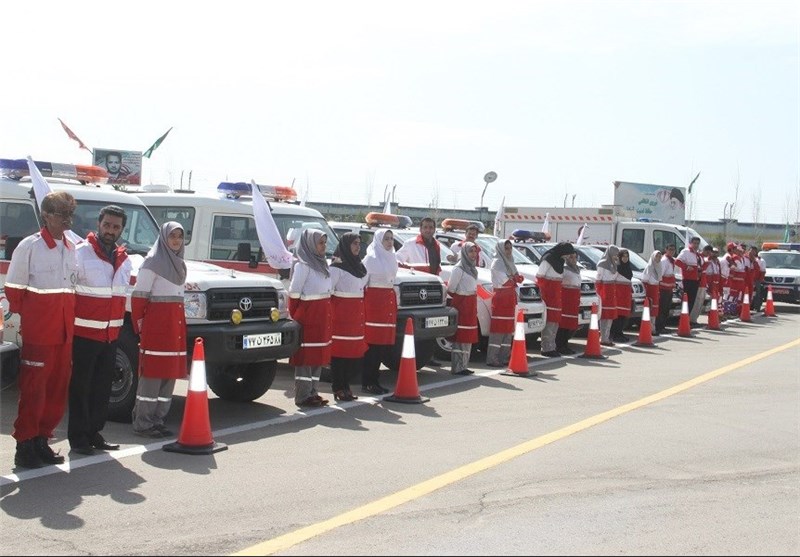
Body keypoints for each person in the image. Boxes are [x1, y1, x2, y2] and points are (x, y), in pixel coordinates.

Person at [5, 191, 78, 468]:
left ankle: (41, 440)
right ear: (46, 215)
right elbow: (14, 291)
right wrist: (36, 318)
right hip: (40, 332)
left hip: (63, 333)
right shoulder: (29, 246)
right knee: (34, 390)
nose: (67, 220)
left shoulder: (71, 247)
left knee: (57, 389)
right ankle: (25, 444)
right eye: (61, 214)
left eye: (70, 214)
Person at [69, 205, 132, 454]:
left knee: (102, 389)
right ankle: (78, 437)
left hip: (110, 336)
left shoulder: (123, 259)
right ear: (99, 224)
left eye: (116, 227)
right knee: (81, 388)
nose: (110, 230)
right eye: (107, 224)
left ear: (121, 229)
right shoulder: (81, 254)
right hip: (84, 335)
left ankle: (94, 432)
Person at [131, 221, 187, 437]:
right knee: (152, 376)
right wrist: (142, 328)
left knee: (169, 374)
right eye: (172, 236)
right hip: (157, 329)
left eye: (179, 236)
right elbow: (139, 298)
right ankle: (143, 423)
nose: (176, 240)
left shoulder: (180, 263)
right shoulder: (152, 262)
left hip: (175, 329)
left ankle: (158, 420)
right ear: (164, 237)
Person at [288, 229, 333, 408]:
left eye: (324, 243)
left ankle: (313, 392)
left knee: (317, 356)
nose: (323, 247)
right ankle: (303, 395)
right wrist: (298, 316)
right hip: (308, 318)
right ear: (310, 244)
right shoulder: (303, 266)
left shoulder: (323, 264)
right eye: (320, 243)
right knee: (305, 358)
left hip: (322, 318)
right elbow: (294, 293)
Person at [329, 232, 367, 402]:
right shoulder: (336, 269)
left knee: (354, 354)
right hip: (341, 316)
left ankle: (346, 386)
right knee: (340, 355)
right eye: (354, 244)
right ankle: (339, 387)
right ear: (345, 245)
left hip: (356, 316)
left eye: (359, 243)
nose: (357, 247)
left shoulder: (359, 267)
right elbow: (328, 292)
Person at [362, 229, 398, 394]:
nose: (390, 242)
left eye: (391, 239)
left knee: (382, 345)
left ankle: (375, 380)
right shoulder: (371, 258)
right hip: (374, 304)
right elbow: (363, 282)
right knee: (372, 346)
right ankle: (368, 381)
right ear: (378, 240)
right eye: (386, 239)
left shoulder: (392, 257)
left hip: (387, 304)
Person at [486, 239, 523, 366]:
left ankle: (504, 357)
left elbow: (516, 277)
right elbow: (505, 281)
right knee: (498, 330)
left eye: (510, 248)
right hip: (501, 298)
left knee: (508, 330)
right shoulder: (497, 263)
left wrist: (515, 278)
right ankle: (492, 358)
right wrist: (514, 279)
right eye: (506, 248)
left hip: (510, 298)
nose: (508, 251)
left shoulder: (510, 261)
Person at [536, 242, 576, 356]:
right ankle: (546, 348)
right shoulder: (548, 259)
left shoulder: (559, 261)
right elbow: (540, 276)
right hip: (548, 296)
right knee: (549, 323)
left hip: (556, 296)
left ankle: (552, 346)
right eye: (567, 254)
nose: (567, 257)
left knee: (555, 322)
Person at [447, 242, 479, 375]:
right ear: (465, 252)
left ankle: (464, 365)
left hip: (471, 304)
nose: (473, 254)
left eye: (475, 251)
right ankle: (457, 367)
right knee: (460, 337)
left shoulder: (472, 268)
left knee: (467, 337)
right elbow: (451, 289)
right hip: (462, 304)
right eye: (470, 251)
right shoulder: (458, 268)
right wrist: (462, 299)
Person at [556, 250, 582, 354]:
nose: (574, 260)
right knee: (563, 324)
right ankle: (560, 345)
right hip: (566, 298)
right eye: (571, 257)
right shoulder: (564, 269)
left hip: (574, 298)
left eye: (575, 257)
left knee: (570, 325)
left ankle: (565, 345)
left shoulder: (576, 269)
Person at [595, 245, 620, 346]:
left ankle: (607, 336)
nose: (616, 256)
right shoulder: (602, 264)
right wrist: (599, 292)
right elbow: (598, 278)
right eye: (614, 254)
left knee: (610, 316)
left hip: (612, 290)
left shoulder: (615, 264)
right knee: (604, 315)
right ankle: (603, 338)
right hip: (604, 290)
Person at [676, 236, 703, 326]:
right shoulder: (686, 251)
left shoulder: (697, 254)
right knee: (686, 301)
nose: (696, 245)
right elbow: (677, 261)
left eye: (697, 244)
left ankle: (687, 320)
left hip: (695, 280)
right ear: (690, 243)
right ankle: (683, 320)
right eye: (694, 243)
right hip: (687, 280)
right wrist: (686, 267)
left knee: (692, 301)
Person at [610, 248, 633, 343]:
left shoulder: (628, 267)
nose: (625, 258)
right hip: (619, 293)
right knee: (618, 315)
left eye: (627, 256)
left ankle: (620, 332)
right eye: (623, 256)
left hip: (626, 293)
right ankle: (615, 334)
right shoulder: (617, 267)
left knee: (624, 315)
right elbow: (613, 279)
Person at [655, 244, 677, 334]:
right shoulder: (664, 260)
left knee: (666, 309)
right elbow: (661, 274)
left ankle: (663, 326)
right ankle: (659, 327)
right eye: (670, 249)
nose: (671, 251)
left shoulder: (671, 260)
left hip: (669, 288)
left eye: (673, 250)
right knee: (662, 308)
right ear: (666, 250)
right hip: (663, 288)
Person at [690, 245, 715, 324]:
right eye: (707, 252)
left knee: (700, 302)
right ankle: (692, 319)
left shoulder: (704, 258)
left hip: (704, 283)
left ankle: (694, 319)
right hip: (699, 283)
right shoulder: (699, 257)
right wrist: (706, 263)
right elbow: (700, 269)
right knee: (696, 302)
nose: (708, 254)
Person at [641, 250, 663, 335]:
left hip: (656, 291)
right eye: (657, 256)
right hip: (650, 291)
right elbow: (645, 280)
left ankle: (653, 328)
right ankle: (649, 328)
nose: (658, 258)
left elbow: (659, 279)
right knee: (650, 310)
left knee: (655, 311)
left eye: (659, 256)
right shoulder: (649, 267)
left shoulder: (659, 266)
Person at [749, 245, 766, 312]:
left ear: (756, 252)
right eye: (751, 250)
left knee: (757, 294)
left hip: (756, 280)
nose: (752, 252)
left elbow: (763, 271)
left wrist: (759, 280)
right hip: (748, 279)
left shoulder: (760, 260)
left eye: (754, 251)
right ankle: (749, 306)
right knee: (749, 293)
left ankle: (757, 307)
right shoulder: (747, 258)